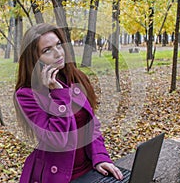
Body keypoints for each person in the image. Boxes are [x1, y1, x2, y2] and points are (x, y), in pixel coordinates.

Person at [14, 23, 123, 183]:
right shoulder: (27, 95)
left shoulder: (76, 78)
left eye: (59, 45)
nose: (58, 53)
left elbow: (92, 125)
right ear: (35, 59)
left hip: (89, 171)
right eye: (47, 50)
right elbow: (57, 140)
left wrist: (100, 157)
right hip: (57, 176)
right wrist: (58, 95)